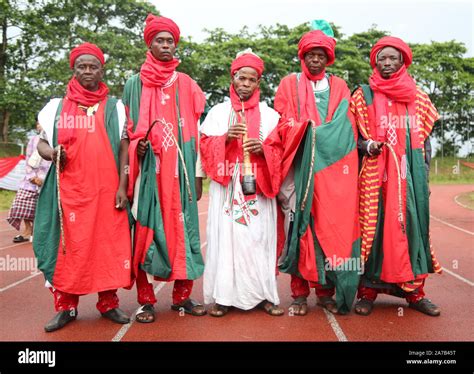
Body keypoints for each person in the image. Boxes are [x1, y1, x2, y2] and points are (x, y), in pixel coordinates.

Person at [34, 42, 132, 332]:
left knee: (107, 247)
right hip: (68, 191)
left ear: (102, 69)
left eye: (93, 66)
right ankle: (66, 307)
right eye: (82, 66)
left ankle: (108, 304)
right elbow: (40, 143)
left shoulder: (115, 107)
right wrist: (51, 154)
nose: (88, 71)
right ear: (73, 69)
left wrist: (123, 186)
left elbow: (124, 148)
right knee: (68, 249)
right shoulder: (54, 108)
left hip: (106, 190)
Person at [122, 14, 206, 323]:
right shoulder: (134, 84)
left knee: (185, 232)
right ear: (150, 43)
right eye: (160, 40)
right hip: (147, 173)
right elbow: (126, 132)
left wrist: (197, 176)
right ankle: (145, 301)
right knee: (144, 232)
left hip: (180, 173)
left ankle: (182, 298)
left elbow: (197, 132)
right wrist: (137, 148)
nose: (166, 45)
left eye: (170, 41)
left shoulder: (186, 83)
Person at [272, 21, 360, 316]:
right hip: (298, 168)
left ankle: (325, 291)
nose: (316, 59)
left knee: (329, 229)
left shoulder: (339, 86)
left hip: (332, 171)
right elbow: (282, 122)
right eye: (311, 54)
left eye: (321, 55)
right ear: (303, 56)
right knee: (298, 226)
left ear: (328, 58)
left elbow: (344, 127)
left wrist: (316, 135)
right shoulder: (288, 84)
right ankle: (298, 294)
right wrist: (306, 131)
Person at [350, 36, 442, 317]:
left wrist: (421, 179)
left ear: (403, 61)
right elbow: (351, 139)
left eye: (393, 58)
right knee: (373, 232)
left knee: (412, 231)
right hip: (374, 178)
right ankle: (367, 292)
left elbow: (424, 145)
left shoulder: (420, 98)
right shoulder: (362, 95)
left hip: (409, 179)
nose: (387, 63)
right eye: (382, 58)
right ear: (375, 61)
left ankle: (414, 293)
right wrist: (367, 146)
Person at [200, 50, 284, 317]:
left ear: (258, 83)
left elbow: (280, 151)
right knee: (227, 240)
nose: (246, 84)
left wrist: (263, 149)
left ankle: (264, 295)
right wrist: (224, 139)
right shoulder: (218, 112)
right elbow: (203, 147)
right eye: (241, 78)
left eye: (252, 79)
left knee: (258, 239)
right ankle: (224, 297)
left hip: (257, 188)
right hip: (227, 186)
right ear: (233, 78)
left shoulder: (270, 115)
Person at [7, 120, 51, 242]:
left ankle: (37, 233)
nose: (39, 125)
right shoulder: (33, 140)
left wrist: (44, 179)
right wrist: (32, 177)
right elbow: (28, 160)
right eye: (37, 124)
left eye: (41, 123)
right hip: (31, 180)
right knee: (20, 204)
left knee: (42, 208)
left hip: (47, 181)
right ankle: (27, 229)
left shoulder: (55, 140)